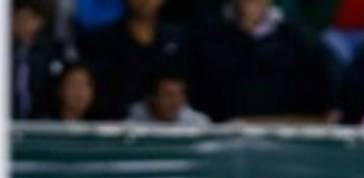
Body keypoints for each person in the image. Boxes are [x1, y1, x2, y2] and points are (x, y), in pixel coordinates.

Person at [186, 0, 339, 122]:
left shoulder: (301, 40)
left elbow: (326, 113)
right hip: (217, 146)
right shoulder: (204, 38)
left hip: (285, 147)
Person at [81, 0, 185, 118]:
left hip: (170, 124)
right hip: (115, 123)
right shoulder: (102, 40)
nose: (145, 1)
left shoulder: (178, 38)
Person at [127, 71, 212, 124]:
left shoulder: (198, 123)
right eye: (168, 95)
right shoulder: (133, 123)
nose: (175, 101)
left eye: (179, 95)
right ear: (151, 98)